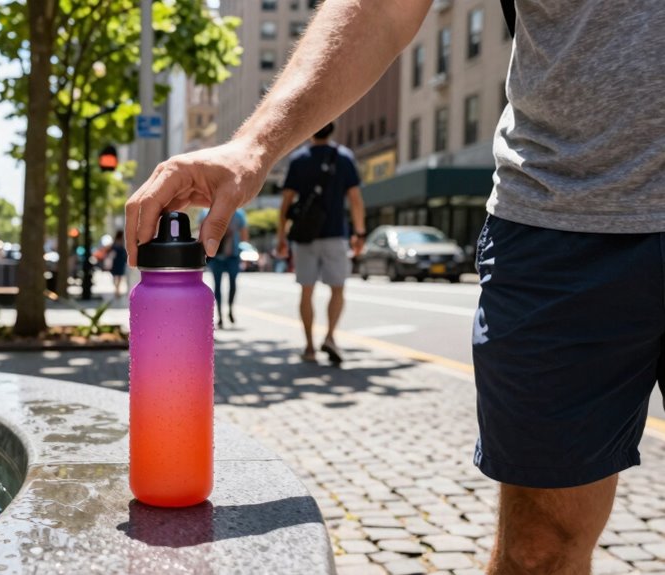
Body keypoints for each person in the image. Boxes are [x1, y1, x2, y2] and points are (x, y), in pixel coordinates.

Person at [126, 1, 660, 571]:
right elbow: (381, 8)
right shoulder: (320, 161)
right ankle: (317, 339)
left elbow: (346, 198)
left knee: (321, 287)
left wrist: (342, 231)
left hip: (530, 227)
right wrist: (252, 146)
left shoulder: (343, 162)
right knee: (538, 552)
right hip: (561, 223)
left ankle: (319, 338)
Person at [277, 123, 364, 362]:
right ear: (333, 129)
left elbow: (285, 204)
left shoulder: (298, 159)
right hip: (336, 234)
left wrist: (281, 237)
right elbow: (355, 199)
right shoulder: (344, 157)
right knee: (338, 288)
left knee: (306, 290)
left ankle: (308, 347)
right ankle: (329, 337)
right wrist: (360, 232)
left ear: (310, 130)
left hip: (304, 236)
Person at [199, 209, 249, 328]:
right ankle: (220, 315)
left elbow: (244, 236)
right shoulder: (206, 213)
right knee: (217, 285)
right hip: (215, 256)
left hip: (233, 255)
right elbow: (202, 234)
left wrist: (246, 255)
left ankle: (230, 309)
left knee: (233, 283)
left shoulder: (239, 214)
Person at [108, 230, 128, 298]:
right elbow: (111, 253)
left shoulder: (121, 242)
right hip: (117, 261)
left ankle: (117, 290)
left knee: (119, 276)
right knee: (116, 276)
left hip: (120, 261)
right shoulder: (116, 243)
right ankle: (117, 290)